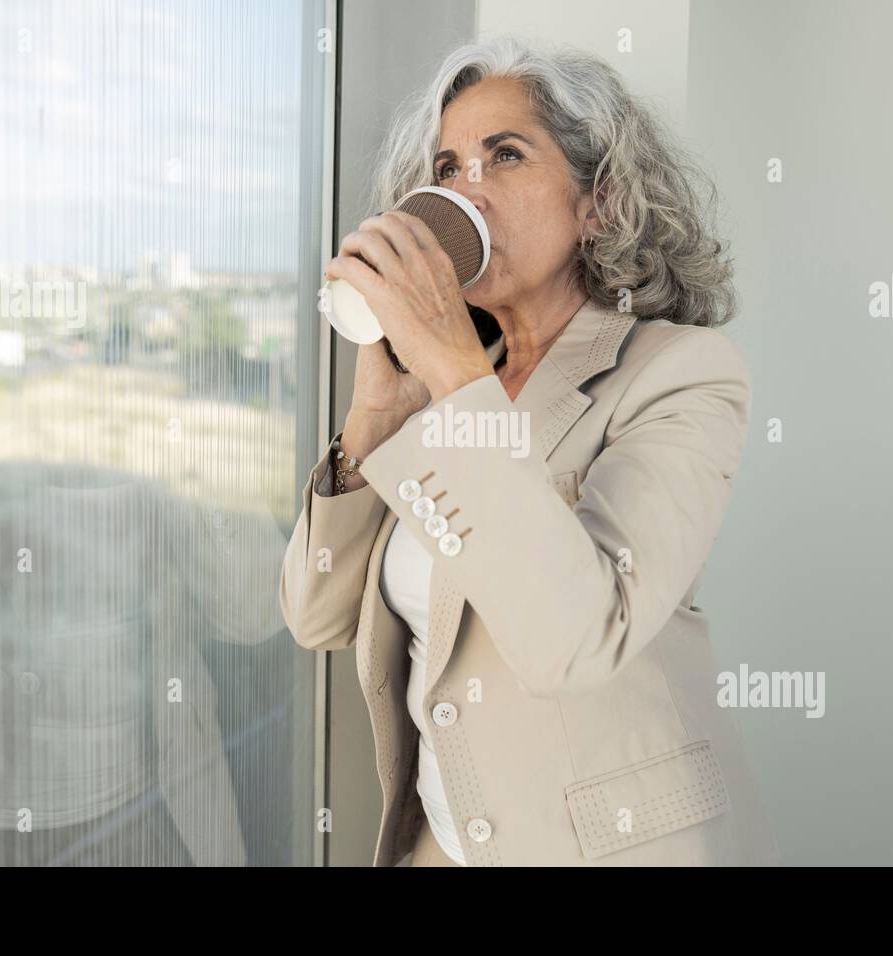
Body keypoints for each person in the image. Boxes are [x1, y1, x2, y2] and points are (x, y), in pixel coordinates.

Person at [280, 35, 780, 867]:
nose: (463, 188)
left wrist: (451, 369)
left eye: (503, 155)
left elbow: (577, 641)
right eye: (446, 167)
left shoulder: (680, 374)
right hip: (442, 845)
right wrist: (371, 417)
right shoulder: (435, 399)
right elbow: (315, 615)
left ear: (600, 203)